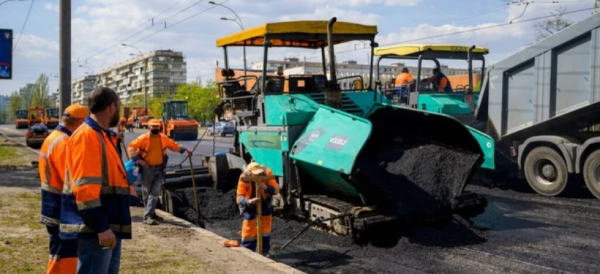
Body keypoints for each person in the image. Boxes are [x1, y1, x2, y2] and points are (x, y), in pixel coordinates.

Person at [60, 86, 132, 274]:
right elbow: (85, 189)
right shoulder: (87, 137)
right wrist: (101, 227)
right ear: (111, 108)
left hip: (108, 224)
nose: (119, 110)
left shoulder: (102, 135)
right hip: (96, 229)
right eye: (119, 105)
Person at [39, 104, 89, 274]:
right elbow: (70, 179)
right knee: (65, 253)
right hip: (61, 207)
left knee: (57, 252)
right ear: (80, 121)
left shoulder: (52, 137)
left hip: (51, 203)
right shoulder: (65, 143)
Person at [128, 119, 192, 225]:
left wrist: (185, 149)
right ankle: (151, 213)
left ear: (159, 127)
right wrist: (139, 160)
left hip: (160, 169)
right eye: (153, 127)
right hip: (147, 169)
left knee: (155, 192)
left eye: (157, 127)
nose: (155, 129)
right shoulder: (144, 138)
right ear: (149, 127)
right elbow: (131, 147)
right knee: (147, 192)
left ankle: (148, 215)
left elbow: (173, 145)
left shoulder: (163, 138)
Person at [236, 162, 280, 255]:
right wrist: (248, 201)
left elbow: (276, 190)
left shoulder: (267, 173)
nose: (258, 176)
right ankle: (248, 251)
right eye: (255, 174)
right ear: (250, 172)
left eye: (259, 173)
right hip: (249, 204)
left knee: (265, 228)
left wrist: (266, 187)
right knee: (249, 226)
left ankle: (264, 251)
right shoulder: (244, 177)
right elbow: (239, 197)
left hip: (264, 202)